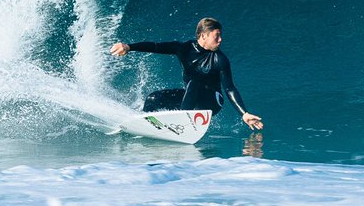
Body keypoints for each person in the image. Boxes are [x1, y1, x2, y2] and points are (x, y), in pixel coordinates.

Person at [110, 17, 263, 131]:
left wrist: (244, 113)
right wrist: (129, 47)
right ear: (203, 35)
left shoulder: (220, 59)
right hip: (191, 96)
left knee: (195, 82)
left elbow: (229, 88)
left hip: (212, 101)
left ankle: (182, 124)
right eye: (216, 36)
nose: (220, 40)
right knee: (153, 98)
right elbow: (156, 46)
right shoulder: (184, 48)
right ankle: (146, 125)